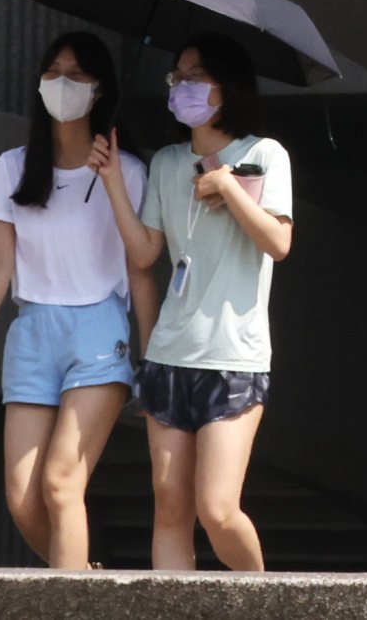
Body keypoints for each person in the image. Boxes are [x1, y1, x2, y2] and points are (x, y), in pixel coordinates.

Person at [0, 32, 149, 570]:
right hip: (32, 329)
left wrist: (152, 357)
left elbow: (142, 267)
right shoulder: (13, 167)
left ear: (100, 89)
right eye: (53, 72)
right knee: (23, 499)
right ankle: (80, 581)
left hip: (98, 332)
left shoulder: (128, 171)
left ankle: (73, 599)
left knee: (62, 483)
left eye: (77, 75)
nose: (62, 84)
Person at [120, 33, 294, 572]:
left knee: (216, 507)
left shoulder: (263, 154)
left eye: (196, 77)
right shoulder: (168, 162)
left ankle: (266, 607)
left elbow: (279, 243)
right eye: (177, 78)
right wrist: (109, 182)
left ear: (227, 86)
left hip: (234, 358)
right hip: (170, 355)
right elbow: (147, 251)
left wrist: (228, 186)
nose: (182, 87)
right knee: (170, 507)